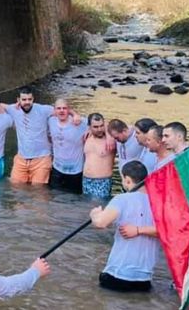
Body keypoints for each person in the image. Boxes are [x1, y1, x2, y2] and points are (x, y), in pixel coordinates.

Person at [89, 161, 159, 292]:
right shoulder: (158, 202)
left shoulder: (122, 199)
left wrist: (94, 214)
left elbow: (101, 223)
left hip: (118, 274)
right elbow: (167, 232)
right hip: (144, 279)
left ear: (127, 180)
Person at [3, 87, 56, 185]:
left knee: (38, 192)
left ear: (33, 99)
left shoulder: (43, 109)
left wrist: (75, 116)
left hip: (42, 158)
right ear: (18, 100)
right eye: (24, 100)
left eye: (29, 99)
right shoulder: (14, 109)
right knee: (15, 188)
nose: (27, 102)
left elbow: (62, 110)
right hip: (21, 158)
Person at [47, 99, 88, 194]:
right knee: (54, 198)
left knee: (74, 202)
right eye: (59, 108)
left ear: (69, 110)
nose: (61, 111)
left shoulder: (79, 122)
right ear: (55, 110)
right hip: (57, 169)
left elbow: (101, 125)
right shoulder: (50, 120)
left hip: (76, 171)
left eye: (64, 108)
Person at [82, 113, 116, 199]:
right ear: (89, 127)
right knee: (85, 208)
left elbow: (128, 128)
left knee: (99, 208)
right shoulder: (87, 137)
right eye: (95, 127)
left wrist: (108, 134)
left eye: (101, 126)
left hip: (102, 181)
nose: (99, 129)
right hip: (86, 180)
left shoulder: (112, 140)